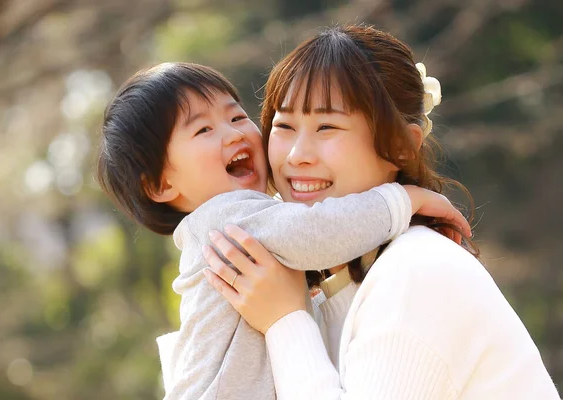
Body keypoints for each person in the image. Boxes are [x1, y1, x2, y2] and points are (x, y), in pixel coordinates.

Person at [204, 25, 560, 399]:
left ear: (403, 147)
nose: (296, 156)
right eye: (285, 126)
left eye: (327, 126)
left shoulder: (414, 272)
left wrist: (284, 320)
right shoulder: (317, 279)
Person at [96, 62, 470, 399]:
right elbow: (320, 232)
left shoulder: (242, 222)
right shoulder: (226, 216)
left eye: (237, 117)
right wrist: (402, 201)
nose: (233, 135)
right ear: (161, 185)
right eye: (204, 129)